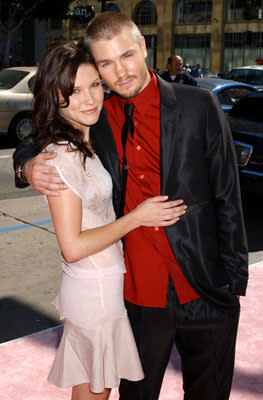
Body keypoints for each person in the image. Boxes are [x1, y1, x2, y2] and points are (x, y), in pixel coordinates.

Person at [13, 11, 248, 400]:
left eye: (126, 56)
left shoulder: (199, 105)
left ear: (142, 47)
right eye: (105, 63)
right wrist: (26, 165)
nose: (119, 72)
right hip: (135, 297)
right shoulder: (97, 114)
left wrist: (233, 283)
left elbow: (227, 193)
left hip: (204, 288)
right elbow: (43, 135)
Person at [29, 41, 186, 400]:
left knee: (92, 388)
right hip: (94, 290)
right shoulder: (61, 158)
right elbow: (72, 246)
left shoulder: (84, 141)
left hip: (100, 285)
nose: (90, 99)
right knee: (96, 391)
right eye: (74, 91)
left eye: (95, 85)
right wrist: (137, 217)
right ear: (55, 97)